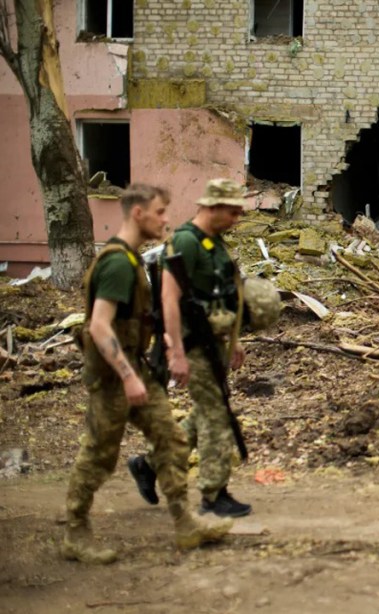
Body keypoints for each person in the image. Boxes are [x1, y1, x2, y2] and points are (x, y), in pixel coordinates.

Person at [63, 184, 231, 565]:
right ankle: (75, 531)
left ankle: (185, 523)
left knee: (170, 439)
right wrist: (127, 376)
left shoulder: (133, 259)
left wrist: (165, 348)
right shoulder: (118, 264)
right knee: (99, 454)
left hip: (137, 368)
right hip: (112, 377)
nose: (166, 219)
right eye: (159, 212)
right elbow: (99, 327)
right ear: (138, 214)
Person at [129, 178, 251, 517]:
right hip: (191, 345)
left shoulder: (216, 243)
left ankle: (149, 465)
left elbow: (225, 296)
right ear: (212, 207)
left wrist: (234, 339)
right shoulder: (185, 241)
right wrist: (176, 353)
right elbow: (169, 299)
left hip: (214, 343)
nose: (235, 219)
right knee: (215, 416)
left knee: (205, 413)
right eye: (232, 212)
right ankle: (214, 494)